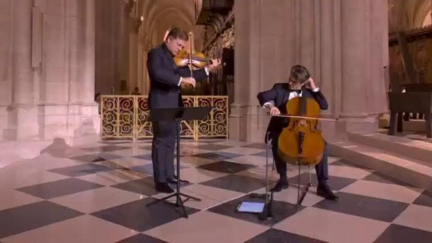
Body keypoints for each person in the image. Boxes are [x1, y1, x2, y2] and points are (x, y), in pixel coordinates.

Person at [147, 27, 220, 193]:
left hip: (173, 105)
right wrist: (181, 79)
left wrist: (207, 70)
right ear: (169, 40)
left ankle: (169, 175)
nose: (180, 49)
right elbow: (157, 73)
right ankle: (160, 181)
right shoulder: (155, 54)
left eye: (182, 46)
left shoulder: (170, 58)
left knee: (171, 142)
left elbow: (186, 71)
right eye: (179, 45)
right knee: (161, 142)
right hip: (161, 104)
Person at [257, 65, 338, 200]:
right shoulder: (279, 88)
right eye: (290, 78)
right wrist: (271, 106)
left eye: (293, 81)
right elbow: (262, 95)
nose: (290, 82)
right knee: (278, 142)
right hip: (283, 128)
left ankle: (322, 184)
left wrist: (314, 88)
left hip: (306, 130)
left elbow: (324, 105)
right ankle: (283, 179)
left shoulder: (309, 92)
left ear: (303, 83)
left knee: (322, 145)